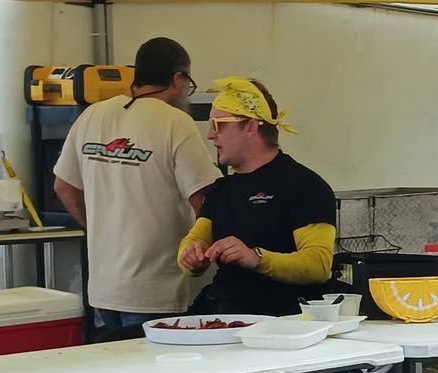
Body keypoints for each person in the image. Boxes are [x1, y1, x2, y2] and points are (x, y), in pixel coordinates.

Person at [54, 37, 222, 330]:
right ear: (177, 79)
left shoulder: (92, 115)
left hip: (103, 289)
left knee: (118, 370)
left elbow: (64, 187)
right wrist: (202, 252)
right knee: (157, 370)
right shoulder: (175, 122)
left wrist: (100, 228)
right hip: (154, 290)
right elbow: (206, 199)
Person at [177, 77, 336, 317]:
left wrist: (256, 258)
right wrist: (191, 256)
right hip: (224, 313)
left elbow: (319, 265)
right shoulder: (221, 190)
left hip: (280, 321)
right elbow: (194, 240)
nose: (210, 135)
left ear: (251, 126)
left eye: (218, 124)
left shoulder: (304, 186)